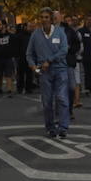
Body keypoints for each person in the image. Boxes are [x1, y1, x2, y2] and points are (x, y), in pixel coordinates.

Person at [26, 8, 70, 138]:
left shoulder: (60, 32)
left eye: (46, 17)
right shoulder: (35, 34)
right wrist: (33, 66)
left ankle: (63, 127)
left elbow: (64, 50)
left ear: (51, 19)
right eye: (42, 17)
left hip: (60, 69)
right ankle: (50, 127)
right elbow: (29, 53)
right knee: (47, 101)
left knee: (61, 98)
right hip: (44, 73)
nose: (44, 20)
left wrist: (49, 60)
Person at [56, 11, 82, 110]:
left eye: (57, 17)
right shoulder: (49, 31)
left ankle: (69, 108)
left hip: (68, 62)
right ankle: (59, 110)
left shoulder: (69, 30)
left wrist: (70, 48)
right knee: (58, 88)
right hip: (55, 63)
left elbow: (77, 44)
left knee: (71, 86)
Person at [0, 25, 16, 97]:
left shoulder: (10, 36)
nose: (3, 28)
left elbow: (14, 44)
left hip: (8, 57)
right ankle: (0, 88)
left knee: (8, 74)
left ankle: (9, 90)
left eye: (4, 27)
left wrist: (12, 52)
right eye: (1, 26)